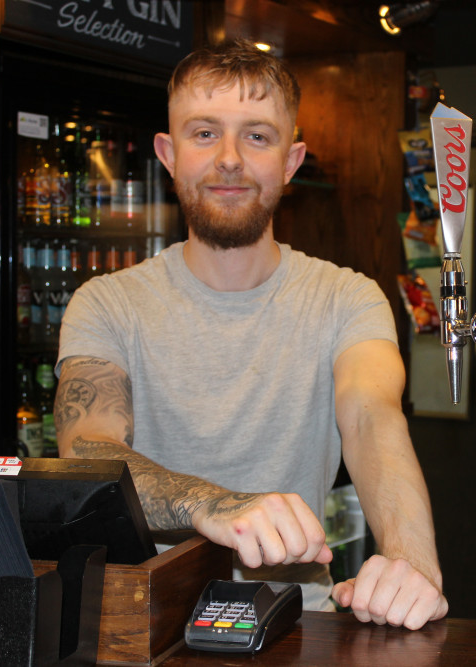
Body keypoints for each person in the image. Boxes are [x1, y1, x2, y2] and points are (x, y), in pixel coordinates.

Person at [53, 39, 448, 630]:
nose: (231, 158)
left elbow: (372, 420)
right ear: (169, 153)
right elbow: (87, 453)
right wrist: (216, 505)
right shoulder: (107, 304)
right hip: (145, 627)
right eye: (205, 133)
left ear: (290, 162)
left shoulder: (346, 297)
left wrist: (414, 566)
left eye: (257, 136)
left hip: (296, 624)